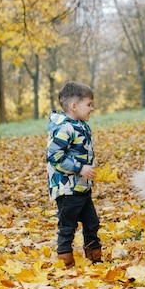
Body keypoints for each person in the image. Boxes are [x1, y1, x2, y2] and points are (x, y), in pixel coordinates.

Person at [46, 81, 102, 267]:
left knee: (92, 223)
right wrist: (79, 168)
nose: (92, 109)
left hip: (82, 187)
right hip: (67, 188)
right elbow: (54, 156)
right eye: (89, 104)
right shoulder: (64, 128)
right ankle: (65, 260)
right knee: (67, 226)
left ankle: (94, 257)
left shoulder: (80, 125)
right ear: (74, 106)